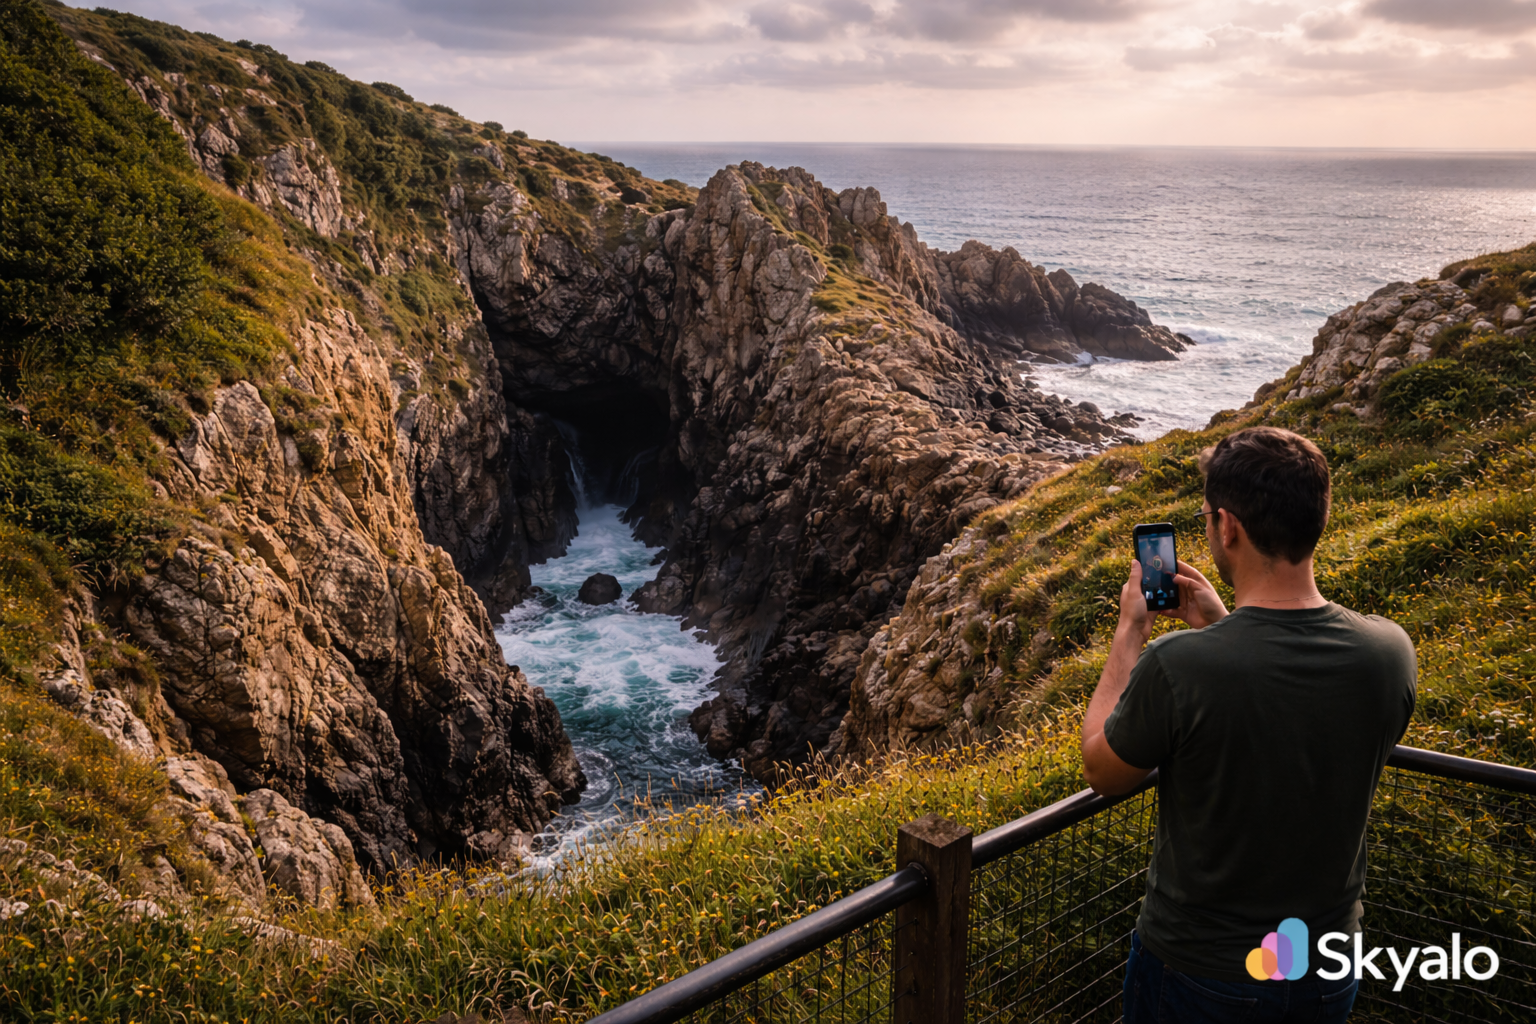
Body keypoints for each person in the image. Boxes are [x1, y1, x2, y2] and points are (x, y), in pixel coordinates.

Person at [1080, 426, 1416, 1024]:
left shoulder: (1179, 664)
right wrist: (1222, 622)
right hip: (1326, 966)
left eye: (1207, 516)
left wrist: (1131, 630)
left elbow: (1103, 769)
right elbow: (1287, 699)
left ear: (1226, 526)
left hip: (1201, 971)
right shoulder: (1389, 652)